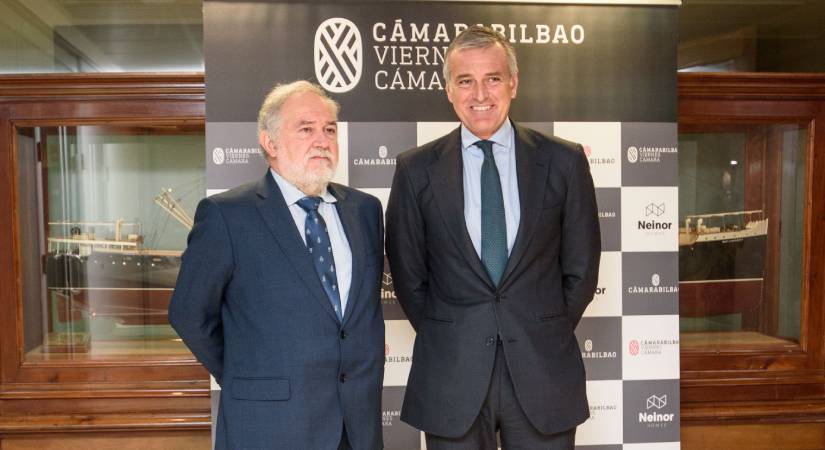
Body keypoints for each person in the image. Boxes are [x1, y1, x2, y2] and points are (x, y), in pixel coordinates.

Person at [386, 26, 600, 449]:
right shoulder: (415, 170)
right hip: (452, 374)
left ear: (513, 84)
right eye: (465, 80)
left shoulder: (564, 161)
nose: (479, 93)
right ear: (449, 89)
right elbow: (409, 279)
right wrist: (455, 331)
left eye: (493, 78)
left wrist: (541, 327)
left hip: (543, 372)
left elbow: (581, 269)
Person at [169, 81, 385, 450]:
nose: (322, 139)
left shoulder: (364, 210)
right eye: (306, 129)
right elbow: (189, 314)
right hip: (269, 426)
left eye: (329, 129)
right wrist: (246, 375)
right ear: (269, 143)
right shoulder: (227, 216)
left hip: (356, 427)